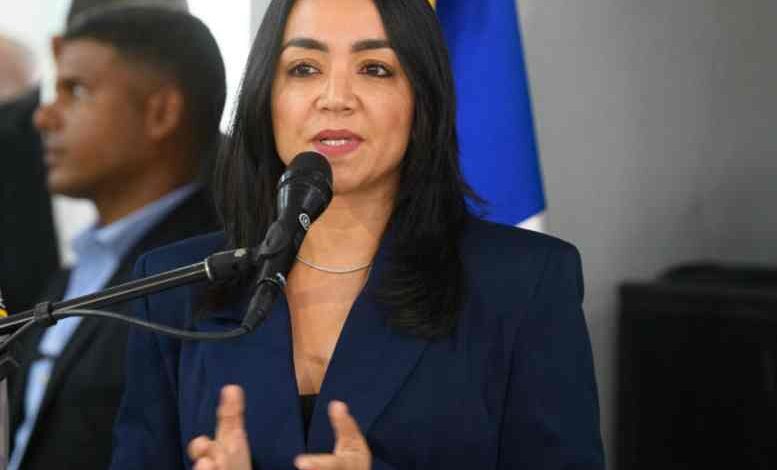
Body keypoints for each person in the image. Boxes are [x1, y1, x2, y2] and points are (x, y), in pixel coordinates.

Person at [111, 0, 605, 469]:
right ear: (267, 95)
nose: (335, 98)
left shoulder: (524, 284)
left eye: (375, 69)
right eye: (305, 68)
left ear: (422, 98)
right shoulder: (174, 286)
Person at [8, 6, 225, 470]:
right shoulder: (79, 270)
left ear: (161, 113)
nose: (44, 117)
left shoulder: (207, 278)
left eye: (76, 91)